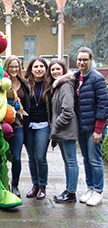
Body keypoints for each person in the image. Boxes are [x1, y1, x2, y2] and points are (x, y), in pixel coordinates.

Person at [74, 47, 108, 206]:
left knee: (95, 159)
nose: (81, 62)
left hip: (94, 127)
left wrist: (99, 130)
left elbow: (103, 105)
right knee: (86, 158)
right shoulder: (76, 77)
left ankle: (98, 191)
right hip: (82, 126)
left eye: (85, 59)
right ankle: (90, 187)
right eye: (79, 59)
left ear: (91, 60)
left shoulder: (97, 78)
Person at [45, 59, 79, 203]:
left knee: (71, 161)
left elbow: (67, 111)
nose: (55, 72)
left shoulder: (65, 85)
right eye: (52, 69)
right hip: (64, 130)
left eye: (58, 69)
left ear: (63, 70)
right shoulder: (58, 85)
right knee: (67, 161)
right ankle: (69, 190)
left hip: (67, 130)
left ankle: (71, 193)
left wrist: (55, 127)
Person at [3, 55, 30, 198]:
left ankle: (15, 184)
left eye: (16, 66)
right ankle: (3, 184)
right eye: (11, 66)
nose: (14, 69)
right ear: (6, 67)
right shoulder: (2, 82)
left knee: (16, 157)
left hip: (18, 125)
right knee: (1, 156)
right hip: (2, 125)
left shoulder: (24, 83)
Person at [24, 56, 50, 200]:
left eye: (41, 66)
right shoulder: (26, 84)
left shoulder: (49, 85)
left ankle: (43, 186)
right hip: (29, 126)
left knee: (40, 157)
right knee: (31, 158)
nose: (39, 69)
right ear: (31, 69)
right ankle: (35, 185)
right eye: (36, 66)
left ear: (45, 69)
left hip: (43, 125)